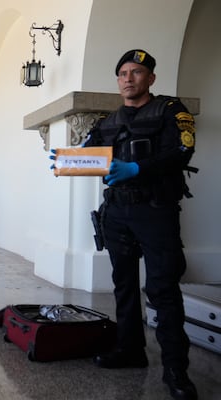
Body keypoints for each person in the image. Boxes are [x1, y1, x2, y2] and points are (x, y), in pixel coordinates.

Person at [83, 50, 197, 400]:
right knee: (124, 285)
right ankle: (130, 351)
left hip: (155, 210)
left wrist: (139, 169)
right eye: (123, 73)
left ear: (151, 78)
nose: (128, 78)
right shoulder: (108, 120)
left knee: (163, 289)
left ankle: (176, 369)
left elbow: (183, 150)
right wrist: (68, 160)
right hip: (116, 212)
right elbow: (90, 153)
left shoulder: (169, 110)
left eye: (136, 72)